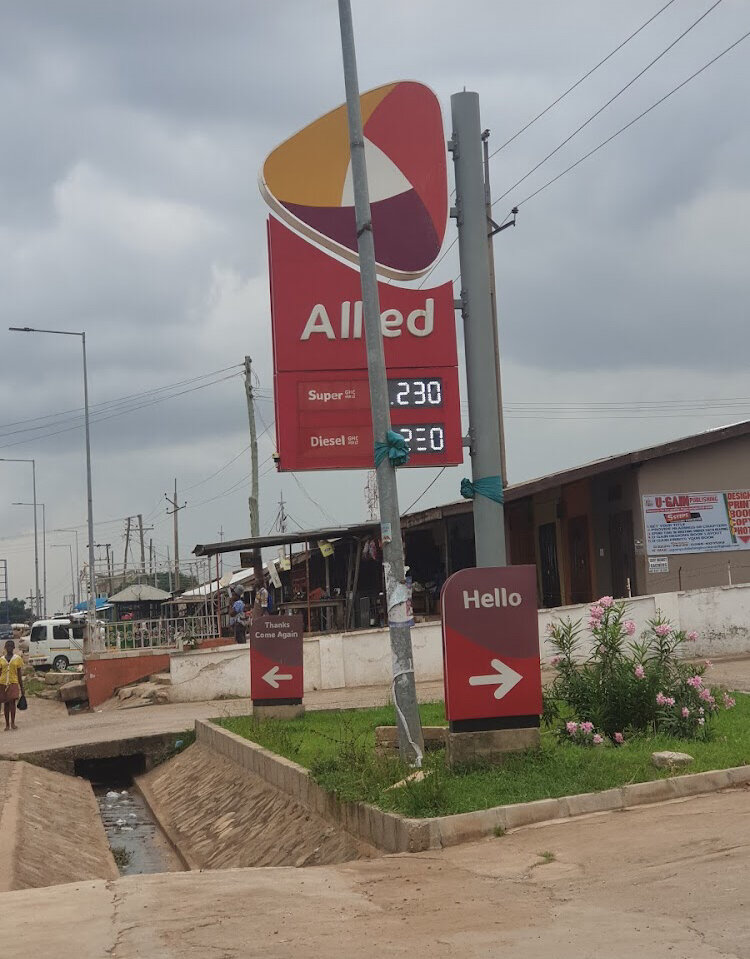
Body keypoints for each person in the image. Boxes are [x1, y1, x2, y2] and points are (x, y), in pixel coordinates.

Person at [0, 640, 25, 731]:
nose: (9, 648)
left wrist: (22, 687)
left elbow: (19, 674)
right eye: (8, 646)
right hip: (3, 683)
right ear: (5, 648)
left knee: (12, 703)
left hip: (13, 683)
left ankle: (13, 723)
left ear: (14, 647)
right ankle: (7, 725)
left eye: (11, 646)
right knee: (6, 704)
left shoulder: (17, 659)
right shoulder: (1, 659)